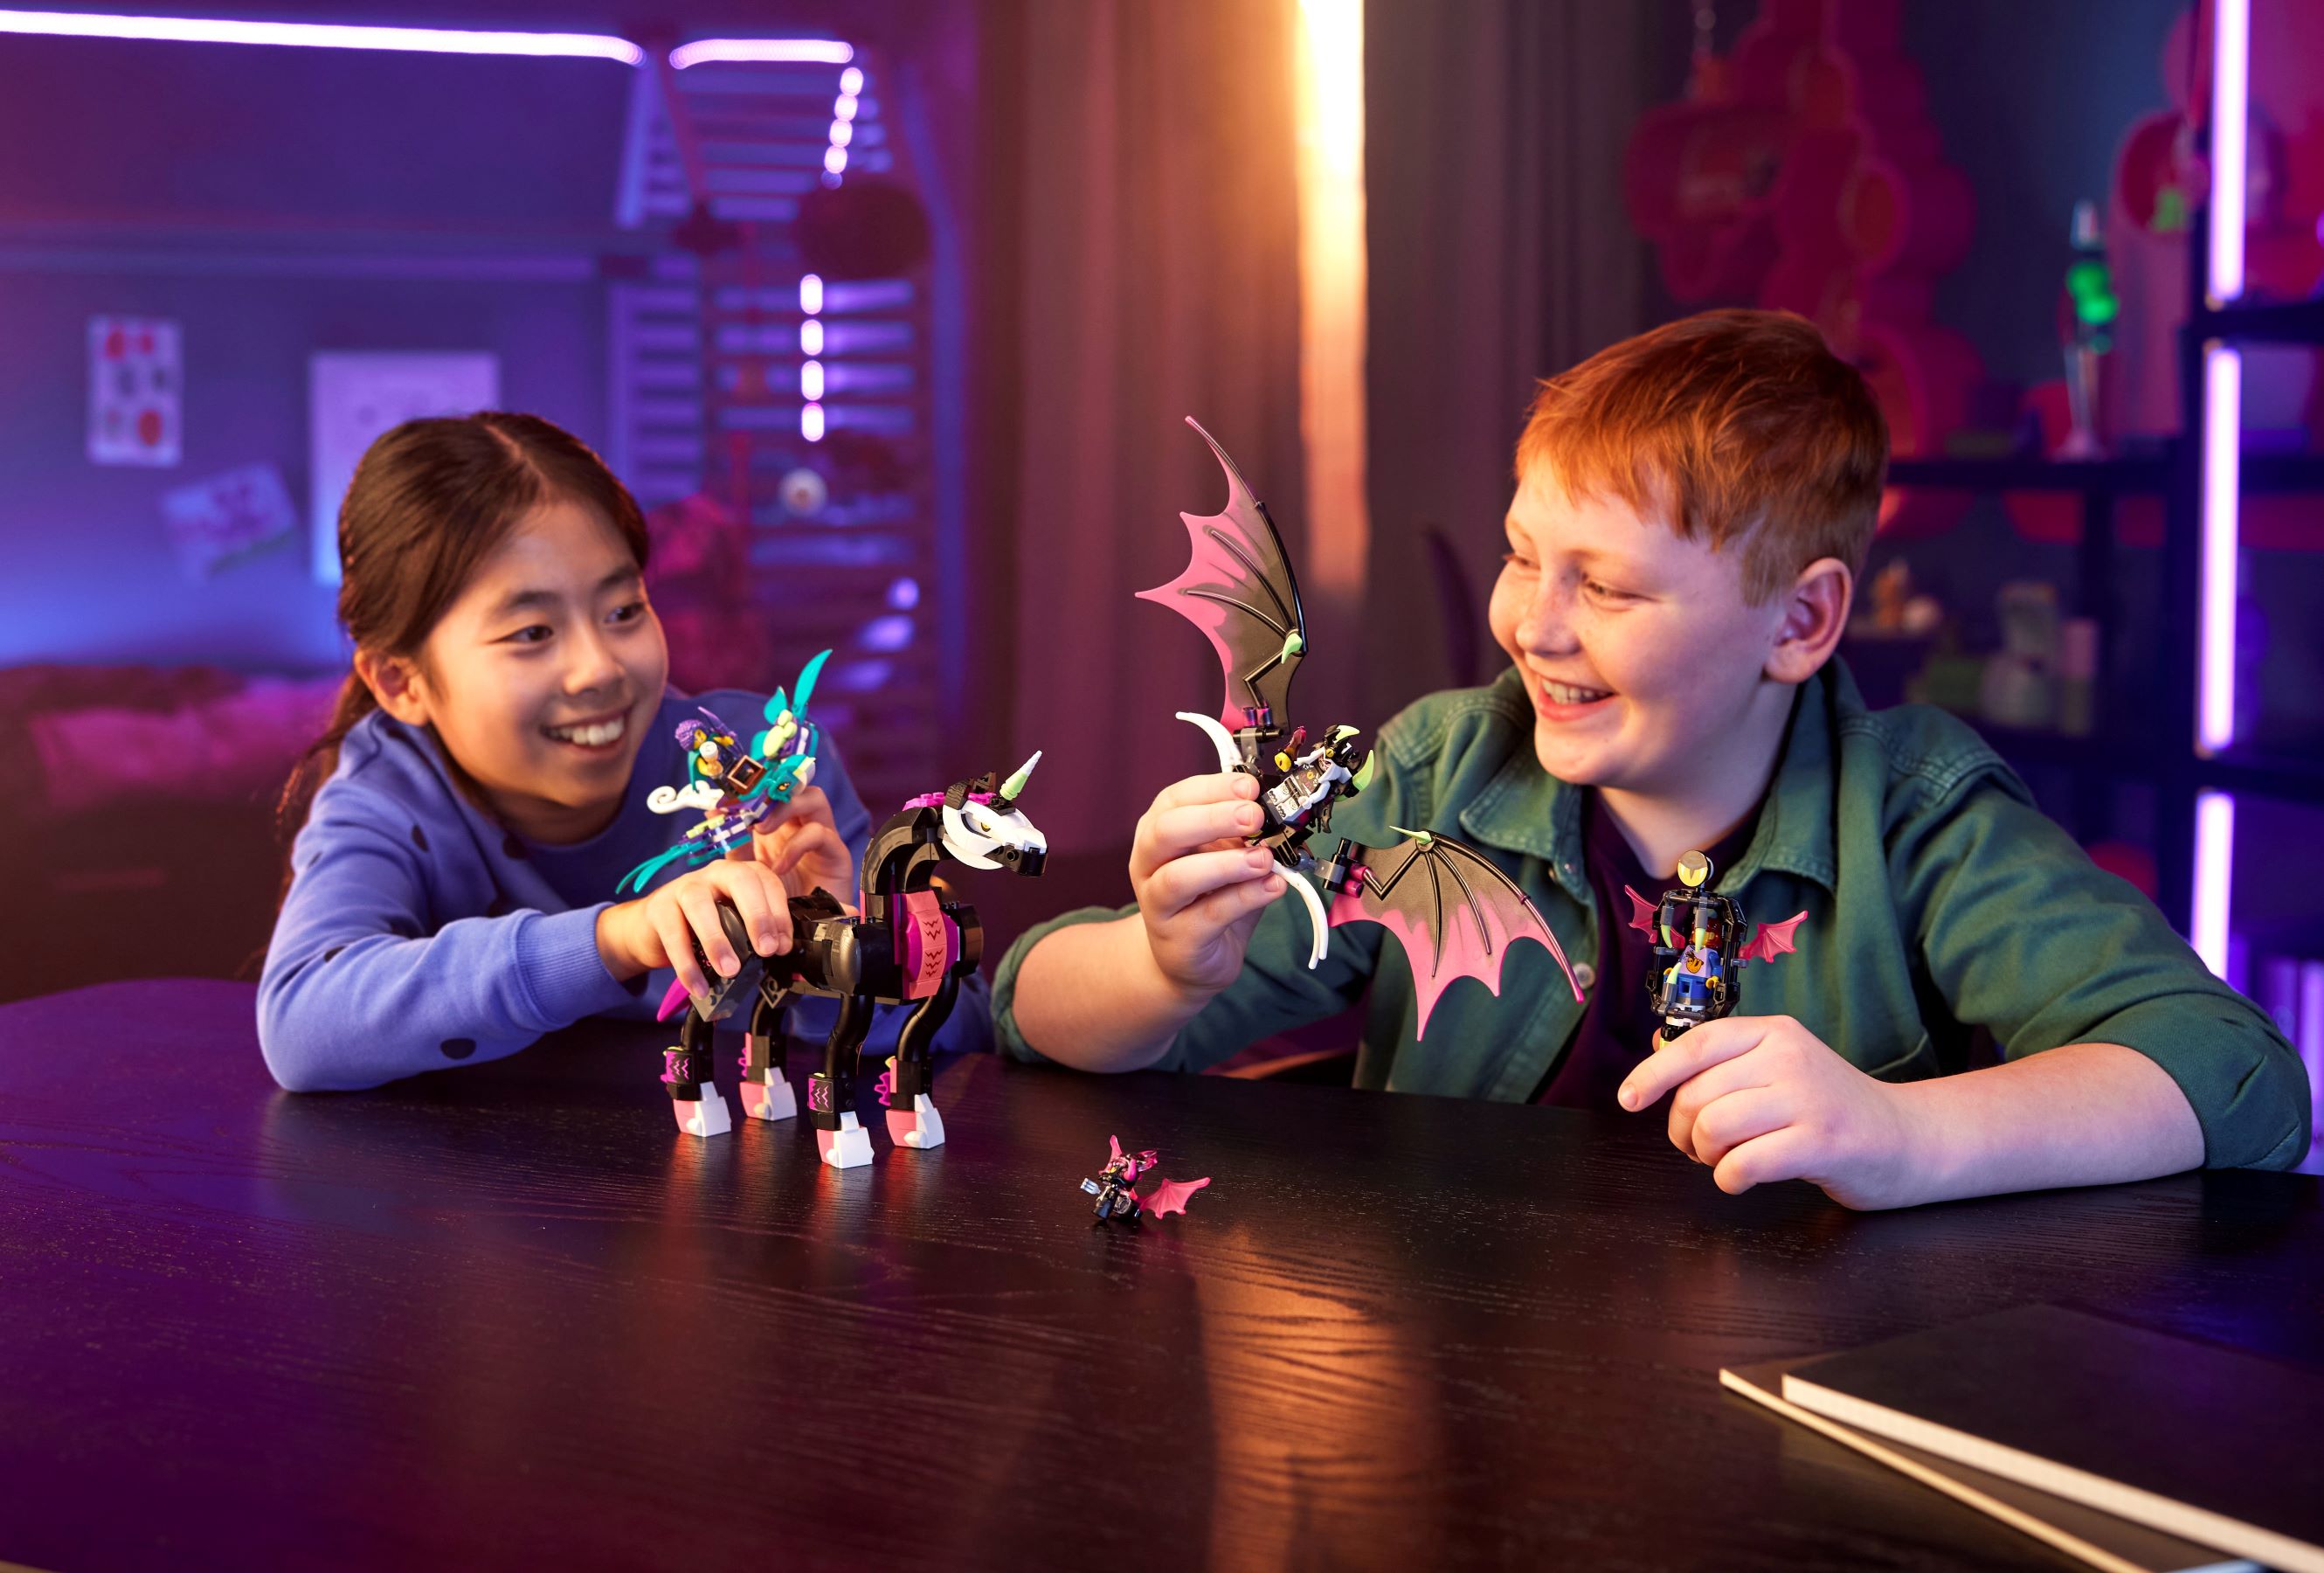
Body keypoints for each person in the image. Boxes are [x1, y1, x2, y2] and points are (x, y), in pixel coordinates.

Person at [992, 309, 2311, 1209]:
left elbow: (2238, 1075)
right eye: (1521, 556)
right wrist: (1159, 968)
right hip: (1474, 1376)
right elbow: (1025, 1009)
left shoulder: (1914, 816)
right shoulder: (1440, 771)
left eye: (1610, 587)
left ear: (1799, 623)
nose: (1532, 625)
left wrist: (1906, 1133)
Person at [260, 412, 988, 1092]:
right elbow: (302, 1021)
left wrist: (830, 951)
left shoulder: (770, 770)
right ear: (401, 680)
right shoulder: (392, 790)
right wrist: (617, 938)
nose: (601, 668)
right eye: (532, 633)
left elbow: (964, 1025)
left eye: (623, 610)